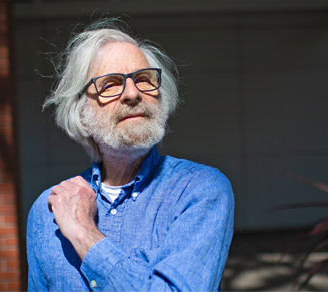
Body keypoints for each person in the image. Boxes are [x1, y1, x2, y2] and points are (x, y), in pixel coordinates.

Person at [27, 19, 234, 291]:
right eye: (111, 84)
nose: (133, 93)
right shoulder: (48, 210)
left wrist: (83, 233)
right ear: (81, 112)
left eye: (143, 79)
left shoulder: (200, 190)